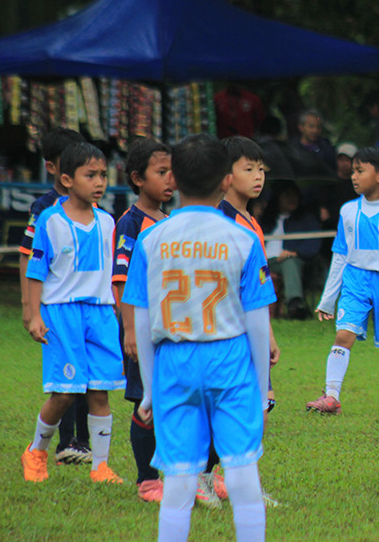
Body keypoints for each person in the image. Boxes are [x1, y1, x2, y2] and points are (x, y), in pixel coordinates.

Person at [123, 134, 275, 542]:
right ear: (226, 180)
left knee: (178, 481)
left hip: (174, 361)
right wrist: (262, 390)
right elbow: (258, 321)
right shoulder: (242, 238)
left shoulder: (151, 239)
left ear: (174, 177)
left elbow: (141, 318)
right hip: (229, 360)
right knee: (242, 472)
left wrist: (149, 390)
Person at [21, 142, 125, 485]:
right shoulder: (50, 220)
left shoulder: (107, 222)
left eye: (103, 175)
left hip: (100, 313)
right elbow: (36, 270)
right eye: (90, 175)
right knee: (65, 392)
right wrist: (34, 315)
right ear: (67, 179)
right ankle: (36, 452)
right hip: (62, 313)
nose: (100, 182)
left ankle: (101, 467)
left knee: (99, 390)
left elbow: (113, 273)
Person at [307, 146, 379, 416]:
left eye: (359, 171)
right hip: (355, 281)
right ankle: (331, 396)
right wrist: (328, 299)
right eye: (353, 171)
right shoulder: (348, 211)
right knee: (343, 335)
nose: (353, 176)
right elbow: (340, 256)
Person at [18, 127, 93, 466]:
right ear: (52, 167)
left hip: (88, 306)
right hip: (57, 306)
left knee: (88, 376)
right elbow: (27, 255)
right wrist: (29, 306)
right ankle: (66, 442)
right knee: (67, 377)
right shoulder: (45, 208)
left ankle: (82, 443)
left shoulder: (92, 207)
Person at [217, 135, 281, 509]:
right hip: (229, 331)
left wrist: (268, 333)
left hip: (252, 328)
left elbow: (258, 289)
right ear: (226, 175)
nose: (258, 176)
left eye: (261, 169)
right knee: (244, 407)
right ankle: (216, 478)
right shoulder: (222, 221)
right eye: (249, 169)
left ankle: (237, 481)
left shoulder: (250, 221)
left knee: (261, 406)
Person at [112, 138, 174, 501]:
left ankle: (179, 472)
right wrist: (130, 330)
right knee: (145, 402)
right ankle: (147, 480)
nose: (170, 180)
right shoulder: (131, 223)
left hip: (170, 327)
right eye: (161, 172)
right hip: (142, 327)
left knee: (172, 398)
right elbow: (121, 280)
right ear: (137, 178)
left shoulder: (171, 222)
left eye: (172, 172)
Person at [259, 180, 321, 319]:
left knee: (290, 262)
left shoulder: (306, 218)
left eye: (295, 195)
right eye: (287, 195)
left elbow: (314, 244)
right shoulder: (266, 219)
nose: (292, 199)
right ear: (278, 198)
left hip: (289, 260)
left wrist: (295, 252)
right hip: (264, 261)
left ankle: (295, 305)